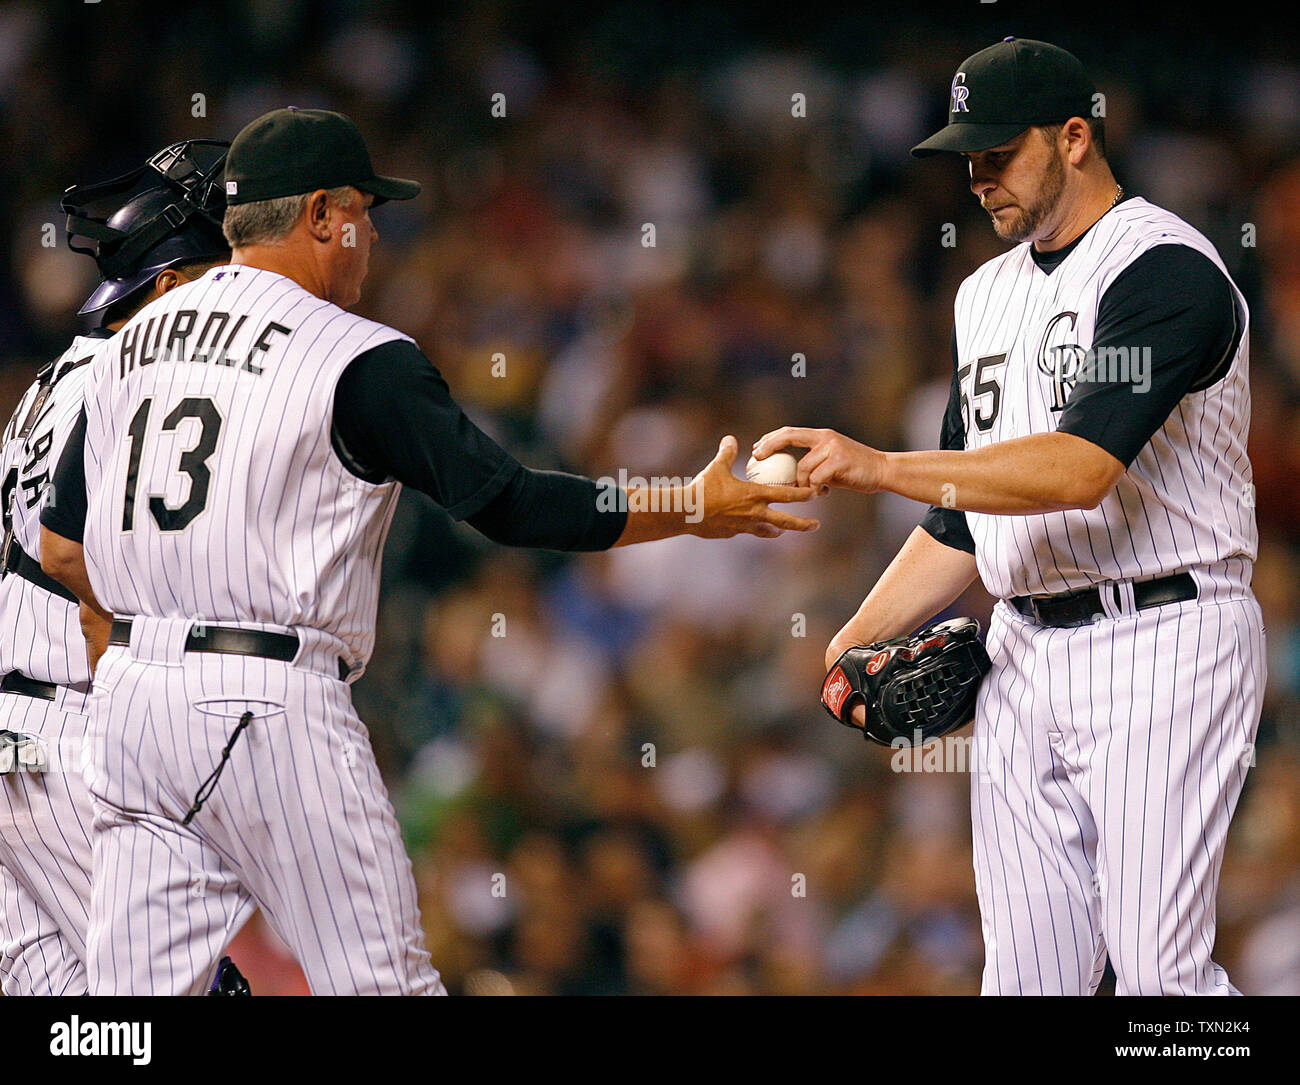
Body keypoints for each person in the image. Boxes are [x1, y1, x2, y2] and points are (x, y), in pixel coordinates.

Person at [39, 107, 818, 995]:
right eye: (367, 214)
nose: (372, 237)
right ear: (323, 213)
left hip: (134, 700)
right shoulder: (355, 355)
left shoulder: (124, 344)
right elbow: (510, 502)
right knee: (385, 985)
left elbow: (62, 544)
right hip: (266, 695)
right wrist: (689, 502)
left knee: (128, 1011)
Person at [753, 37, 1262, 995]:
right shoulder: (982, 296)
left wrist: (876, 464)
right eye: (967, 157)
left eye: (999, 152)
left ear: (1075, 137)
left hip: (1164, 637)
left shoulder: (1163, 270)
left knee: (1161, 979)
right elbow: (960, 521)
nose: (978, 177)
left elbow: (1079, 469)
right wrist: (846, 649)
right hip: (1024, 651)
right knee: (1027, 983)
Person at [0, 140, 246, 994]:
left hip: (19, 744)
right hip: (62, 742)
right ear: (172, 285)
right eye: (224, 276)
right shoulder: (140, 388)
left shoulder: (53, 380)